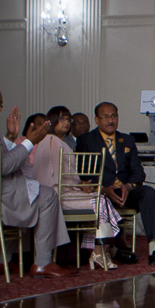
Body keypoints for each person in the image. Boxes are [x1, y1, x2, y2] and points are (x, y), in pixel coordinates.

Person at [0, 84, 76, 278]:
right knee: (48, 195)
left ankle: (1, 260)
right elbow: (2, 166)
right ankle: (42, 262)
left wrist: (10, 137)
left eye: (1, 104)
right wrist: (29, 142)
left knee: (31, 196)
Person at [30, 105, 123, 270]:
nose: (66, 123)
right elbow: (56, 176)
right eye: (61, 119)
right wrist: (80, 185)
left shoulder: (57, 141)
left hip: (65, 192)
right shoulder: (51, 140)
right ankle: (99, 251)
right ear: (51, 121)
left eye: (68, 119)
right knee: (100, 202)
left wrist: (80, 185)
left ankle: (100, 250)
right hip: (57, 195)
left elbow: (64, 175)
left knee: (100, 201)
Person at [76, 102, 155, 266]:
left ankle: (153, 249)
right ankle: (112, 250)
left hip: (125, 191)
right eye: (105, 117)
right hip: (102, 194)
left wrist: (129, 186)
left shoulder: (127, 140)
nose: (110, 120)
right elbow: (84, 174)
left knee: (149, 193)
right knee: (100, 200)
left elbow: (138, 172)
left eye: (113, 116)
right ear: (97, 120)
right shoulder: (86, 140)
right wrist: (104, 188)